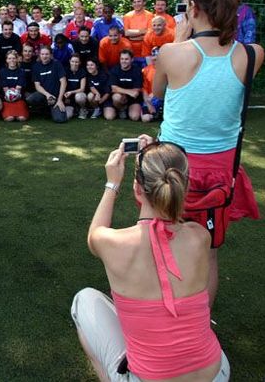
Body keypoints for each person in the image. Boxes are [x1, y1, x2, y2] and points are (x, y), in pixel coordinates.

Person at [71, 142, 231, 382]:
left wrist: (112, 183)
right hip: (217, 373)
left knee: (83, 299)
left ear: (137, 188)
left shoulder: (111, 243)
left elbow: (95, 232)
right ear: (183, 187)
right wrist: (159, 155)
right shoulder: (200, 236)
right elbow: (175, 218)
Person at [152, 0, 265, 306]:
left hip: (173, 165)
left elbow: (157, 91)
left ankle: (166, 316)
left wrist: (178, 39)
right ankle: (201, 322)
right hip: (219, 171)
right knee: (208, 253)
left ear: (193, 8)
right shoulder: (252, 54)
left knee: (163, 244)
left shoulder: (174, 53)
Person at [26, 46, 68, 123]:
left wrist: (60, 100)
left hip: (56, 97)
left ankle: (56, 109)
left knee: (60, 119)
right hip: (44, 95)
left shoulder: (57, 64)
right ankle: (45, 110)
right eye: (42, 54)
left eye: (47, 54)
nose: (44, 56)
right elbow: (37, 85)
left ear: (51, 55)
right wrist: (47, 95)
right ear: (39, 55)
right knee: (30, 99)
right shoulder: (36, 66)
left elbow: (63, 82)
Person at [110, 49, 144, 121]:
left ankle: (129, 110)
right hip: (120, 97)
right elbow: (114, 88)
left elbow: (137, 90)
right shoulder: (115, 70)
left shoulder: (137, 70)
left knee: (135, 117)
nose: (123, 61)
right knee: (116, 97)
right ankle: (122, 109)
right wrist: (128, 92)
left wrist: (126, 92)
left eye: (126, 59)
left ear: (131, 60)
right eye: (122, 59)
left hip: (133, 98)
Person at [0, 50, 29, 122]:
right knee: (9, 118)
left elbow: (18, 89)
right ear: (6, 60)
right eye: (9, 58)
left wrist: (14, 94)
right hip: (7, 99)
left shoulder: (21, 71)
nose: (12, 60)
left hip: (19, 98)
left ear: (17, 59)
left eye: (14, 58)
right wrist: (9, 96)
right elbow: (5, 89)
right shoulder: (2, 72)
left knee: (21, 118)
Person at [123, 0, 154, 65]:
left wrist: (132, 35)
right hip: (131, 51)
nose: (137, 4)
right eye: (134, 2)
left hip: (146, 50)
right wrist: (143, 31)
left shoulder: (150, 16)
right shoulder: (127, 16)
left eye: (139, 1)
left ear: (144, 2)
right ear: (132, 4)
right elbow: (126, 33)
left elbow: (150, 34)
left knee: (146, 72)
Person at [63, 53, 88, 119]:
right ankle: (74, 110)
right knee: (67, 116)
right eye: (72, 61)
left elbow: (82, 89)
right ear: (69, 61)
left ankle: (83, 109)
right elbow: (63, 85)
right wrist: (65, 97)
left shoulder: (82, 71)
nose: (74, 64)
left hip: (78, 95)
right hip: (68, 97)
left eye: (76, 62)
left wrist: (71, 92)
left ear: (79, 63)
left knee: (79, 97)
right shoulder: (65, 71)